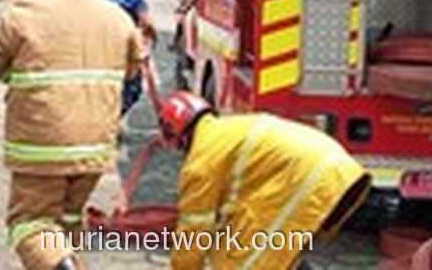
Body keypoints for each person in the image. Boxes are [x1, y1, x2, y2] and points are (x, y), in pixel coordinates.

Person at [0, 0, 146, 270]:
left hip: (40, 147)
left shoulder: (24, 12)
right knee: (68, 222)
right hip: (94, 150)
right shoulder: (118, 18)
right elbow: (132, 71)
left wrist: (24, 75)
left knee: (31, 224)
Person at [159, 92, 372, 270]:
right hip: (335, 173)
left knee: (239, 262)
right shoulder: (226, 130)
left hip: (310, 181)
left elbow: (195, 229)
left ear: (178, 135)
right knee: (273, 254)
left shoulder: (201, 161)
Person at [103, 0, 159, 115]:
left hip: (105, 42)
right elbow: (146, 21)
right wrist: (154, 36)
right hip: (125, 44)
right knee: (133, 86)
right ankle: (117, 115)